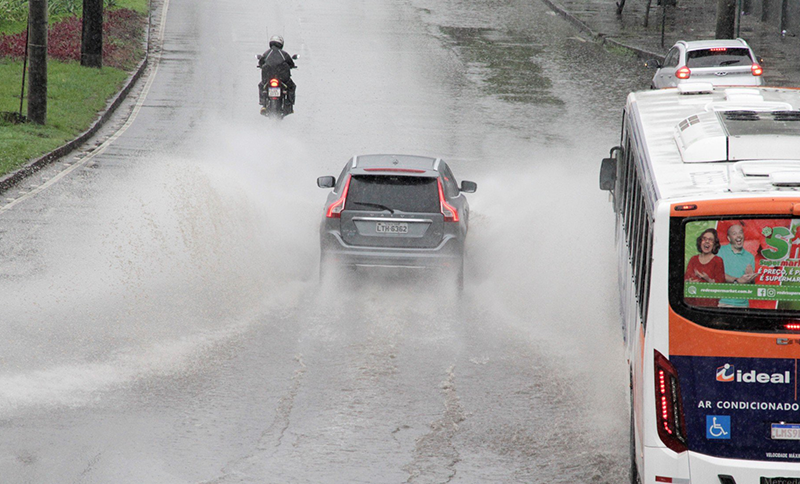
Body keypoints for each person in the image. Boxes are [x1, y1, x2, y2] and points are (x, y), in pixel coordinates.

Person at [717, 223, 757, 307]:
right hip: (722, 303)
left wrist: (750, 279)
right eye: (734, 234)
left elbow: (751, 286)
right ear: (729, 238)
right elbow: (717, 274)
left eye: (740, 232)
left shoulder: (749, 257)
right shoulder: (720, 251)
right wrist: (737, 280)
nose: (738, 236)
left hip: (743, 305)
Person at [684, 228, 726, 307]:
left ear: (714, 245)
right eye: (704, 239)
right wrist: (689, 282)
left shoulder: (718, 261)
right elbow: (686, 280)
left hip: (708, 306)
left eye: (710, 240)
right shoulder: (693, 259)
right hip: (690, 305)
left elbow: (720, 288)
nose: (707, 241)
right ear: (700, 242)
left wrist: (707, 279)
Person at [258, 35, 296, 113]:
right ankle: (289, 103)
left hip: (268, 77)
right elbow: (291, 63)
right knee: (291, 86)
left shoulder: (267, 53)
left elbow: (261, 62)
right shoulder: (284, 54)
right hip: (282, 78)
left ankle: (263, 103)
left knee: (262, 85)